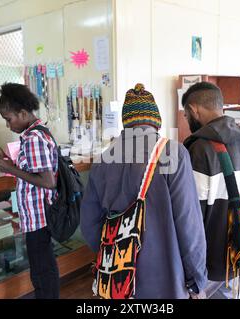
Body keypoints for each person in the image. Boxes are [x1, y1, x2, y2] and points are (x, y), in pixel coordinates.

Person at [80, 83, 208, 299]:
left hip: (118, 282)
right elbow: (189, 224)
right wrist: (196, 280)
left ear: (126, 123)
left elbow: (90, 226)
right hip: (167, 281)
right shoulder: (173, 153)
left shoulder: (103, 160)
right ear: (156, 121)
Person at [182, 82, 240, 298]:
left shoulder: (199, 150)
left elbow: (190, 217)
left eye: (186, 115)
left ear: (194, 109)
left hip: (210, 263)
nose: (187, 120)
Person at [0, 83, 59, 299]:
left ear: (23, 113)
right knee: (42, 268)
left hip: (39, 218)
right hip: (37, 216)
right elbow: (33, 170)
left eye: (9, 119)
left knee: (43, 271)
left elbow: (48, 181)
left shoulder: (33, 138)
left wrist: (11, 169)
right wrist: (7, 160)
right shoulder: (34, 133)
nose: (8, 125)